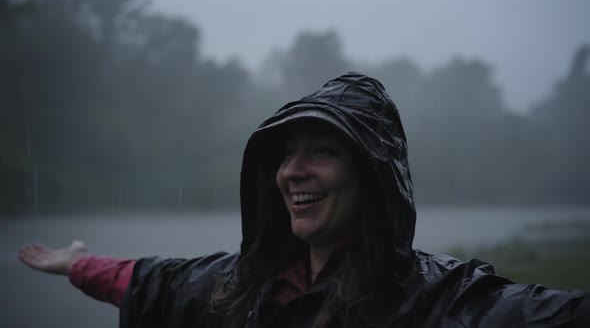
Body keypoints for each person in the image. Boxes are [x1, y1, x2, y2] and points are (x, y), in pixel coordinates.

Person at [19, 73, 589, 327]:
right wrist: (78, 264)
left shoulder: (438, 300)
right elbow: (156, 282)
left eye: (322, 151)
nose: (293, 171)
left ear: (372, 176)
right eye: (286, 154)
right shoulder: (241, 285)